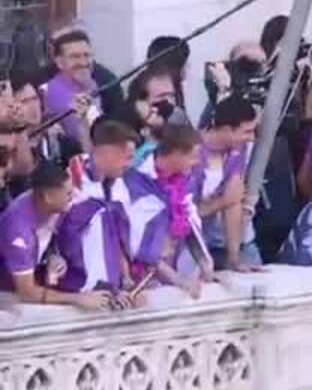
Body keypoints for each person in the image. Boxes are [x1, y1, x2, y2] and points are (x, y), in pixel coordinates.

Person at [54, 119, 148, 305]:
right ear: (108, 153)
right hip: (83, 291)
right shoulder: (74, 179)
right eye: (127, 157)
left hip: (112, 289)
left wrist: (126, 278)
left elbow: (117, 237)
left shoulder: (120, 186)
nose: (130, 164)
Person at [0, 160, 111, 308]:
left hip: (32, 273)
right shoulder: (17, 228)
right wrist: (78, 299)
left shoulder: (50, 205)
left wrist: (52, 256)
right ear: (48, 197)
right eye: (68, 193)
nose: (75, 197)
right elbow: (26, 292)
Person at [128, 123, 213, 299]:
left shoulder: (187, 180)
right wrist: (179, 281)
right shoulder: (136, 184)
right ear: (175, 154)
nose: (197, 162)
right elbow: (139, 244)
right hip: (139, 280)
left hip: (172, 269)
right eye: (193, 156)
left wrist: (205, 262)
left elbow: (190, 220)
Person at [197, 97, 262, 272]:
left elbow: (234, 201)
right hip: (186, 245)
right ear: (226, 130)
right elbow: (184, 213)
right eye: (247, 132)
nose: (252, 138)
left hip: (216, 239)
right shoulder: (193, 153)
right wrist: (223, 201)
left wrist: (234, 258)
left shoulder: (236, 149)